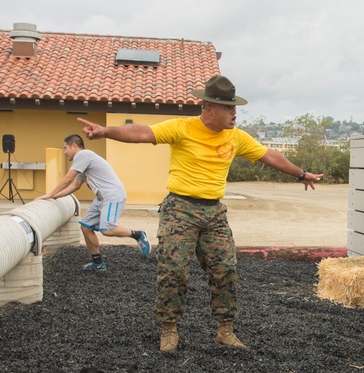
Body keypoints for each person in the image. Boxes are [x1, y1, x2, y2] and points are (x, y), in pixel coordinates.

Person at [77, 74, 323, 353]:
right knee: (173, 271)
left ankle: (225, 331)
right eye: (228, 107)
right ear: (209, 108)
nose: (234, 112)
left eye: (235, 107)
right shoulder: (182, 128)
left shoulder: (237, 137)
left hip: (214, 213)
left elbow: (269, 156)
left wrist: (301, 174)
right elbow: (142, 133)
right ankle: (169, 330)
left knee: (225, 270)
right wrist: (105, 131)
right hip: (179, 210)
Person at [36, 134, 150, 270]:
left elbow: (68, 179)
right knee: (86, 227)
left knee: (107, 229)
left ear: (74, 146)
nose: (65, 152)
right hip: (101, 198)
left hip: (112, 195)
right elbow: (74, 185)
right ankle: (98, 263)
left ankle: (138, 234)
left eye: (66, 148)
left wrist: (49, 193)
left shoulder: (83, 155)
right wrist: (53, 197)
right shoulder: (81, 163)